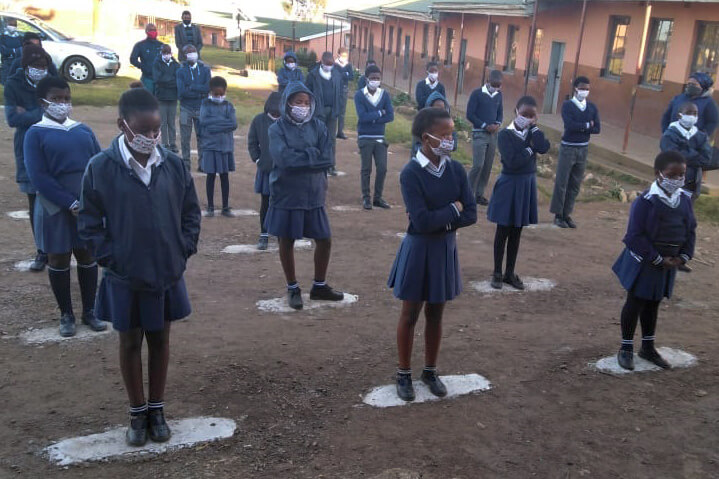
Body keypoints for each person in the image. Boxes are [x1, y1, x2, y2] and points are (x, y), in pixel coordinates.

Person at [78, 87, 201, 447]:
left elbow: (190, 213)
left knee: (160, 339)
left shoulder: (173, 164)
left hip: (165, 271)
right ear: (122, 126)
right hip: (124, 277)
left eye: (156, 130)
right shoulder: (101, 168)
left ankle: (157, 409)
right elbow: (89, 223)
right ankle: (137, 411)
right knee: (130, 341)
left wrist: (182, 251)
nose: (151, 138)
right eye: (143, 131)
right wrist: (113, 260)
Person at [388, 107, 477, 402]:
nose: (450, 140)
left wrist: (445, 217)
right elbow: (421, 222)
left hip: (443, 248)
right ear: (426, 138)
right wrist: (453, 210)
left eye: (451, 134)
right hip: (419, 250)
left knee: (436, 313)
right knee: (411, 312)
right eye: (445, 135)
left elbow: (472, 213)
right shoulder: (411, 173)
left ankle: (429, 370)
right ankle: (403, 373)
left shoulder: (455, 169)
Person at [23, 76, 106, 337]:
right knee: (58, 256)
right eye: (57, 99)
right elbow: (39, 177)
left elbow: (98, 164)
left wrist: (93, 200)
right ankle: (66, 314)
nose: (63, 104)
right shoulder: (34, 133)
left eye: (66, 99)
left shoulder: (82, 130)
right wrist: (69, 202)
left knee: (87, 254)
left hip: (84, 205)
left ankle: (90, 311)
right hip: (54, 206)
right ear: (43, 102)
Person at [612, 151, 695, 371]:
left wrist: (683, 256)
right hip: (646, 260)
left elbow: (690, 229)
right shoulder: (646, 201)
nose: (677, 179)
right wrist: (658, 258)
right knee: (636, 301)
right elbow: (633, 236)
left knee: (654, 301)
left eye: (681, 175)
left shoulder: (684, 199)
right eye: (672, 175)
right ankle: (626, 348)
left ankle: (648, 347)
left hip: (670, 262)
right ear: (658, 174)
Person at [266, 81, 345, 310]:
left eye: (306, 102)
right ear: (288, 103)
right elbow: (283, 160)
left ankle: (319, 286)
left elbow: (328, 158)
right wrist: (312, 156)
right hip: (287, 193)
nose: (303, 106)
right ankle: (292, 287)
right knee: (286, 239)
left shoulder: (319, 127)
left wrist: (302, 157)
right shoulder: (276, 129)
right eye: (298, 102)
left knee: (324, 239)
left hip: (314, 193)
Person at [487, 96, 550, 290]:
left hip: (526, 184)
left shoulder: (533, 132)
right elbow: (513, 162)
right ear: (516, 111)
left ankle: (509, 272)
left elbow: (545, 147)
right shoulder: (505, 134)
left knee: (517, 231)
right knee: (503, 230)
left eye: (532, 116)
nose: (527, 118)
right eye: (524, 114)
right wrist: (531, 148)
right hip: (509, 184)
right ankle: (497, 272)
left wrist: (535, 129)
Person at [4, 44, 51, 272]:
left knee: (54, 197)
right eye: (35, 66)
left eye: (43, 66)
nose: (40, 70)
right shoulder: (13, 84)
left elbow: (61, 110)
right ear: (26, 66)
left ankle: (57, 246)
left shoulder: (51, 82)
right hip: (25, 146)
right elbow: (13, 118)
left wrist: (29, 113)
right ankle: (42, 250)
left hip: (52, 145)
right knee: (34, 199)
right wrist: (42, 112)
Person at [549, 76, 601, 228]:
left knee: (575, 183)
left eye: (587, 89)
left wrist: (584, 126)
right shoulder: (567, 105)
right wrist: (587, 125)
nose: (585, 91)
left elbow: (597, 128)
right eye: (582, 88)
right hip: (568, 147)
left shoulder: (592, 107)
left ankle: (567, 214)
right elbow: (570, 125)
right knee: (562, 182)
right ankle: (558, 214)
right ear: (575, 88)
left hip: (583, 148)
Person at [354, 65, 394, 210]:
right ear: (366, 79)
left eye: (378, 78)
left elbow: (390, 116)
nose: (375, 81)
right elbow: (362, 117)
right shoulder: (359, 95)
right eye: (372, 78)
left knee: (382, 168)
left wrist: (373, 118)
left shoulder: (384, 95)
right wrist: (379, 113)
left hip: (379, 137)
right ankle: (366, 198)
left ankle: (378, 197)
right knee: (366, 169)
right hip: (365, 137)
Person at [199, 76, 237, 217]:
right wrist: (223, 124)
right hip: (210, 146)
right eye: (216, 94)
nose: (219, 96)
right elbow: (203, 121)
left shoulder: (229, 106)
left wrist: (214, 124)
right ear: (210, 92)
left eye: (222, 94)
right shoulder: (205, 105)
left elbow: (233, 124)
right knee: (210, 176)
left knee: (224, 176)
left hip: (225, 147)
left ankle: (225, 207)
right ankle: (210, 206)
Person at [248, 91, 281, 250]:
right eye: (274, 111)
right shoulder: (259, 120)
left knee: (282, 202)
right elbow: (252, 142)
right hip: (266, 170)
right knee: (266, 203)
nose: (276, 114)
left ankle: (283, 233)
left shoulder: (287, 121)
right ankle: (264, 234)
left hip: (284, 171)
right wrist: (258, 159)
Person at [466, 69, 503, 206]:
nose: (497, 88)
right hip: (480, 133)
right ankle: (468, 193)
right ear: (488, 81)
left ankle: (479, 194)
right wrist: (484, 125)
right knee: (478, 164)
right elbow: (470, 114)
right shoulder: (477, 94)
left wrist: (497, 124)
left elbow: (500, 113)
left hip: (493, 135)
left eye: (499, 85)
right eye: (494, 85)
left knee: (487, 166)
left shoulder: (499, 95)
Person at [660, 102, 711, 200]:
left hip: (692, 184)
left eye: (695, 113)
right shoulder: (669, 135)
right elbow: (673, 157)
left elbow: (706, 159)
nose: (692, 116)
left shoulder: (701, 137)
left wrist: (684, 153)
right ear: (680, 115)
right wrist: (696, 154)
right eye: (689, 112)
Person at [305, 52, 342, 176]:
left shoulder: (336, 74)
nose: (329, 66)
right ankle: (317, 163)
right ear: (322, 62)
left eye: (331, 64)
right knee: (318, 137)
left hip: (332, 111)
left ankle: (331, 165)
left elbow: (340, 93)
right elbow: (307, 93)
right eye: (327, 64)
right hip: (318, 111)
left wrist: (338, 109)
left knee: (331, 139)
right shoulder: (313, 75)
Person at [176, 44, 211, 171]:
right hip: (186, 108)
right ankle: (186, 164)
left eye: (193, 51)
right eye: (188, 52)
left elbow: (207, 88)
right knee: (185, 138)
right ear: (184, 56)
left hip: (201, 108)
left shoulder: (205, 70)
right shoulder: (180, 71)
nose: (192, 54)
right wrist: (198, 90)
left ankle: (202, 164)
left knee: (202, 137)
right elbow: (181, 92)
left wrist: (191, 87)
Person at [661, 72, 718, 138]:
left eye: (694, 84)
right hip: (673, 138)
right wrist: (665, 131)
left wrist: (701, 137)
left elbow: (712, 122)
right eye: (689, 83)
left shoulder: (709, 103)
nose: (690, 86)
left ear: (703, 86)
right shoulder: (678, 98)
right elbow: (666, 116)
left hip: (693, 142)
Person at [410, 91, 458, 159]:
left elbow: (454, 146)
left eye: (442, 109)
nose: (439, 112)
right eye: (436, 109)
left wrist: (446, 146)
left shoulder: (448, 126)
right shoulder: (421, 125)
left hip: (443, 161)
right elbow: (416, 146)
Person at [152, 44, 181, 153]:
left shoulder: (176, 65)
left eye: (168, 53)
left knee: (171, 122)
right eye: (164, 53)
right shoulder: (156, 64)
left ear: (171, 53)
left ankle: (173, 143)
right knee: (163, 122)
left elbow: (177, 79)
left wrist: (166, 81)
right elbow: (157, 79)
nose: (166, 55)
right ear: (161, 54)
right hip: (161, 97)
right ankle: (165, 143)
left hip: (173, 97)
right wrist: (170, 81)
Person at [130, 23, 163, 92]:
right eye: (150, 30)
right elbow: (133, 59)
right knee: (147, 99)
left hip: (160, 78)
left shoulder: (161, 45)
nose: (153, 31)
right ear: (146, 31)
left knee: (159, 100)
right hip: (147, 78)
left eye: (154, 30)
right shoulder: (140, 45)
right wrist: (142, 66)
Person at [334, 47, 353, 140]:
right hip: (334, 89)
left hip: (344, 89)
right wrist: (345, 74)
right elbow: (334, 76)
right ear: (338, 55)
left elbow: (351, 76)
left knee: (342, 112)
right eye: (343, 55)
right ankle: (332, 130)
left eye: (346, 55)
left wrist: (343, 75)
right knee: (334, 110)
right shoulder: (334, 64)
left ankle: (340, 131)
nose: (344, 57)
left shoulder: (348, 65)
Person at [0, 18, 23, 85]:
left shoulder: (20, 38)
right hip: (7, 63)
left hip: (18, 63)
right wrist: (15, 50)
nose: (12, 26)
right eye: (10, 24)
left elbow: (22, 49)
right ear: (6, 25)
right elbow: (3, 51)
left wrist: (13, 50)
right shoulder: (2, 38)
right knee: (6, 83)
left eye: (14, 25)